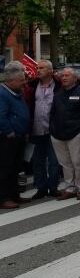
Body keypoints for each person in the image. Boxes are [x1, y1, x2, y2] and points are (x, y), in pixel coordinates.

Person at [50, 67, 80, 200]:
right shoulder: (58, 93)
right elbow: (52, 113)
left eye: (67, 75)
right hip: (57, 134)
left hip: (76, 133)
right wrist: (52, 129)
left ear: (75, 78)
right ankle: (70, 188)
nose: (64, 78)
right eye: (63, 76)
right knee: (65, 163)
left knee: (78, 162)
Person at [24, 59, 61, 199]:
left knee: (54, 161)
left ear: (50, 71)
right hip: (36, 130)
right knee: (37, 161)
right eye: (37, 68)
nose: (38, 70)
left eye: (42, 68)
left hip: (53, 130)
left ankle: (53, 187)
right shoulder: (32, 86)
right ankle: (41, 188)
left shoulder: (58, 86)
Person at [0, 62, 31, 209]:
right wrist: (10, 132)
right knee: (5, 168)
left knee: (15, 167)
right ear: (11, 81)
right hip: (7, 138)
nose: (24, 82)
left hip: (18, 137)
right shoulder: (2, 93)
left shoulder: (16, 92)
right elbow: (1, 116)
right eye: (21, 80)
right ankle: (4, 198)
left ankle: (14, 195)